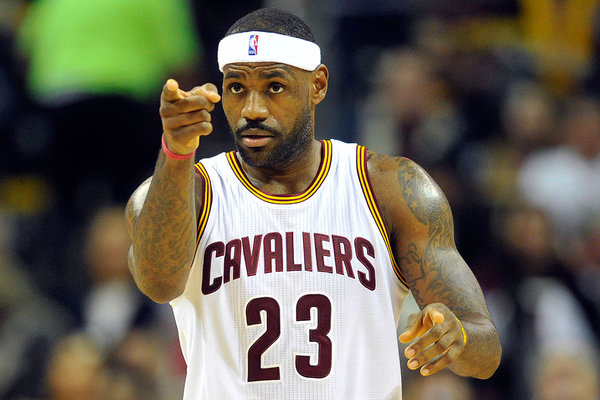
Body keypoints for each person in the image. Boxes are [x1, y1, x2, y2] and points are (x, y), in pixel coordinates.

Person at [126, 8, 501, 399]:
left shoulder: (388, 189)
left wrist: (455, 336)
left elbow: (486, 348)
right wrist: (176, 153)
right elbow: (158, 284)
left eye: (274, 86)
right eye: (237, 88)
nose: (252, 109)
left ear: (317, 85)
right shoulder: (192, 192)